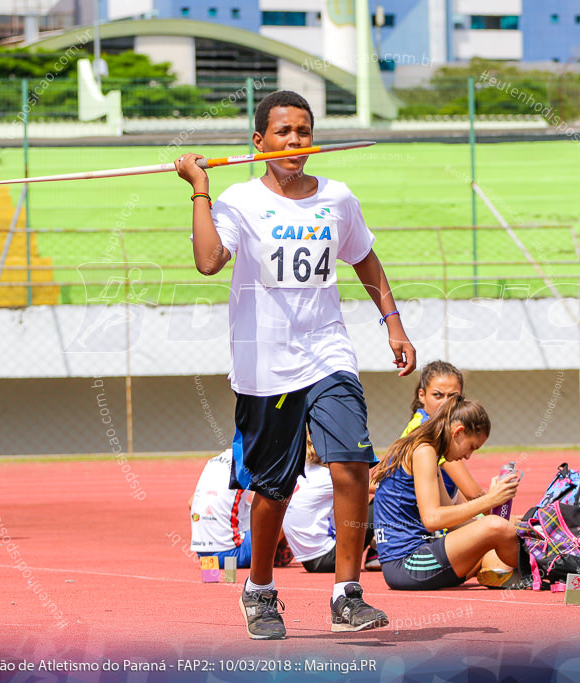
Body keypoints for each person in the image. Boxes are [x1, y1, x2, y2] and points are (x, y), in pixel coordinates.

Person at [175, 90, 416, 640]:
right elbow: (209, 262)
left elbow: (365, 259)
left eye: (303, 132)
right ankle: (259, 588)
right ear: (258, 142)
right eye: (283, 132)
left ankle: (347, 594)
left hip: (328, 354)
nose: (295, 142)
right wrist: (200, 192)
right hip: (265, 365)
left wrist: (393, 323)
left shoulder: (337, 197)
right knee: (273, 488)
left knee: (351, 466)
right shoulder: (237, 200)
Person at [372, 395, 520, 590]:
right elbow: (432, 519)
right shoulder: (423, 451)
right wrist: (490, 502)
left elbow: (455, 524)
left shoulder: (429, 451)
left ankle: (507, 572)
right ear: (458, 432)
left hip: (417, 558)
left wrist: (494, 510)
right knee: (498, 528)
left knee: (511, 524)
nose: (467, 456)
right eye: (471, 447)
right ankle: (537, 570)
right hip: (407, 564)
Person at [401, 360, 484, 502]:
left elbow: (456, 496)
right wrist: (500, 514)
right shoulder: (427, 430)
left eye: (452, 397)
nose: (445, 403)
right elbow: (473, 493)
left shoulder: (440, 427)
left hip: (428, 512)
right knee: (498, 524)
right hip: (405, 518)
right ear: (422, 395)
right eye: (437, 395)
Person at [282, 437, 338, 573]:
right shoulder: (326, 476)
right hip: (328, 557)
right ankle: (377, 551)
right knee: (375, 501)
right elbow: (366, 487)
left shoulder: (293, 473)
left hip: (306, 559)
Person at [190, 449, 252, 567]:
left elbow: (191, 503)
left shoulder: (212, 462)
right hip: (232, 553)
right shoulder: (251, 463)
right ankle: (276, 552)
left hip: (204, 556)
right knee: (281, 508)